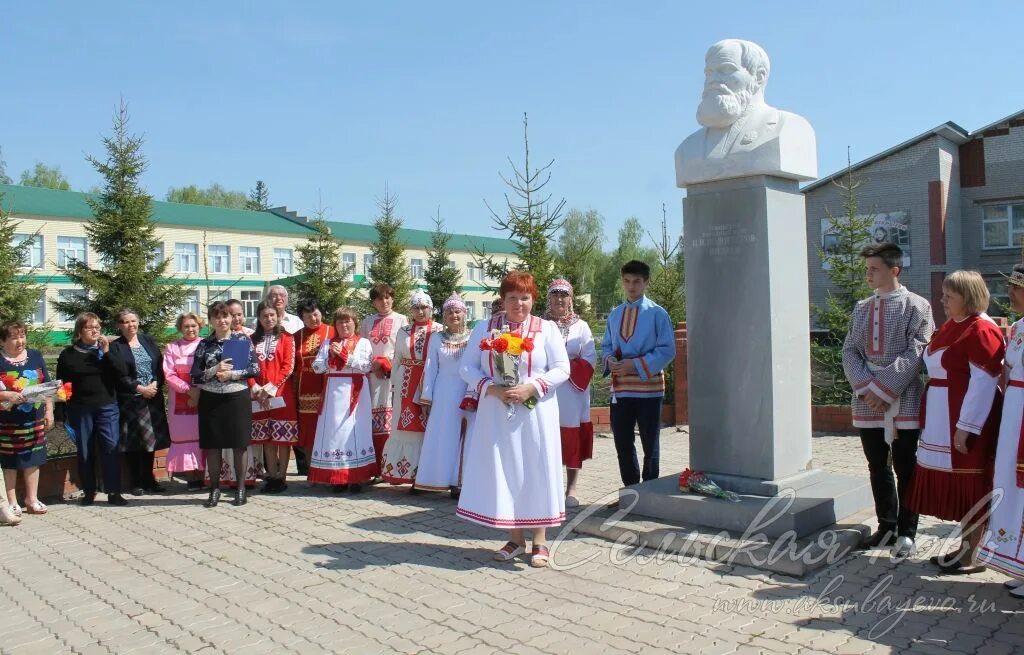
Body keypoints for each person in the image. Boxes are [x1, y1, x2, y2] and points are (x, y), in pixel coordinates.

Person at [458, 271, 570, 568]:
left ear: (533, 299)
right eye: (512, 298)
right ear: (502, 300)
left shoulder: (546, 329)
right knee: (504, 469)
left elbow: (562, 369)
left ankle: (541, 541)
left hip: (536, 412)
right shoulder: (485, 327)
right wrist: (489, 388)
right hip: (497, 411)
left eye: (525, 298)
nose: (518, 304)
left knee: (536, 468)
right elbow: (467, 368)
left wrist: (532, 386)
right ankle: (515, 538)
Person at [907, 270, 1004, 574]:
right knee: (961, 484)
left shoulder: (981, 329)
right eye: (944, 295)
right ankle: (966, 548)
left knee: (972, 483)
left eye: (950, 296)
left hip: (964, 417)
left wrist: (967, 426)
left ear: (969, 297)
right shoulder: (954, 325)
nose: (943, 300)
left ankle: (973, 554)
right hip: (942, 415)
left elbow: (984, 382)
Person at [841, 243, 934, 558]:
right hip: (866, 398)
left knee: (907, 466)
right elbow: (850, 349)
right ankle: (887, 527)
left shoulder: (917, 306)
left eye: (874, 269)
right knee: (877, 465)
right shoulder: (862, 307)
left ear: (894, 270)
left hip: (903, 396)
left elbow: (917, 350)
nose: (868, 275)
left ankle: (907, 532)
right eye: (867, 269)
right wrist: (867, 387)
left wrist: (885, 388)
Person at [601, 260, 676, 487]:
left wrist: (633, 365)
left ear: (646, 283)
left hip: (649, 389)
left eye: (636, 281)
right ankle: (631, 490)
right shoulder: (615, 315)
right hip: (621, 390)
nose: (631, 286)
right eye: (626, 281)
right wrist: (610, 360)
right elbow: (606, 346)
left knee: (650, 441)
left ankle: (650, 488)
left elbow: (667, 350)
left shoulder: (657, 314)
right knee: (622, 442)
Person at [979, 264, 1024, 596]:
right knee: (1009, 479)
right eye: (1010, 286)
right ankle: (1018, 563)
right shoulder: (1019, 327)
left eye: (1017, 287)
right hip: (1014, 411)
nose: (1010, 293)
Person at [191, 301, 261, 508]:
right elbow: (195, 375)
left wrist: (231, 374)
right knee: (212, 446)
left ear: (231, 318)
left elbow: (255, 369)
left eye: (225, 316)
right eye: (217, 317)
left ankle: (240, 488)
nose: (222, 320)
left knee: (239, 444)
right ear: (211, 321)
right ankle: (214, 489)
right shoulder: (204, 344)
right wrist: (215, 369)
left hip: (236, 398)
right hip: (211, 400)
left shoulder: (243, 340)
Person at [56, 313, 129, 506]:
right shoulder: (68, 355)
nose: (95, 330)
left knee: (110, 447)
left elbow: (122, 372)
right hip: (80, 408)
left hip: (107, 406)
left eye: (98, 327)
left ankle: (114, 491)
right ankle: (89, 491)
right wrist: (61, 412)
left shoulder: (107, 350)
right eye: (90, 328)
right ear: (80, 331)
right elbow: (61, 385)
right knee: (86, 451)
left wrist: (106, 352)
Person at [308, 307, 376, 492]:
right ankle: (338, 478)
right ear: (335, 325)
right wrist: (330, 356)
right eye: (340, 322)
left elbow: (366, 366)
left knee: (355, 432)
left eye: (348, 321)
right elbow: (316, 367)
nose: (344, 325)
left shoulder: (363, 343)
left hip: (356, 394)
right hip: (333, 393)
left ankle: (356, 478)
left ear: (355, 323)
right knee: (334, 433)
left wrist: (345, 356)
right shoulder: (328, 343)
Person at [544, 279, 597, 508]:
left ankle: (571, 487)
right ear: (548, 299)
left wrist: (565, 368)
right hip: (546, 391)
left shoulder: (581, 326)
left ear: (570, 299)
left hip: (572, 391)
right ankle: (548, 488)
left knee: (571, 436)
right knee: (546, 438)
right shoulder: (541, 325)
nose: (559, 299)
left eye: (563, 295)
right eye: (554, 295)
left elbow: (590, 357)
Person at [381, 290, 441, 489]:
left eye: (424, 307)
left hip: (430, 382)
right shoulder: (403, 331)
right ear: (411, 310)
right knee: (405, 428)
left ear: (431, 309)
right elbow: (397, 359)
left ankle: (427, 475)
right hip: (405, 384)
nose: (421, 311)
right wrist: (394, 387)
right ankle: (407, 474)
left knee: (428, 428)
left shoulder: (440, 330)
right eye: (416, 307)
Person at [110, 309, 171, 496]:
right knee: (134, 443)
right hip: (132, 400)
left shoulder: (147, 341)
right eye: (126, 322)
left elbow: (160, 366)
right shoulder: (117, 347)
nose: (131, 325)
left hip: (153, 398)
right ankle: (136, 481)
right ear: (119, 326)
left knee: (150, 442)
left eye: (133, 321)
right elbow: (119, 374)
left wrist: (155, 384)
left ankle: (149, 479)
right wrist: (140, 388)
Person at [415, 293, 471, 497]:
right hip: (443, 393)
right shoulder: (436, 338)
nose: (453, 315)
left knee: (463, 436)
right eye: (449, 312)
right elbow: (430, 368)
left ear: (464, 313)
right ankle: (437, 479)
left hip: (466, 392)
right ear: (444, 316)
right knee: (442, 436)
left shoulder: (473, 337)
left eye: (457, 311)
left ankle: (459, 482)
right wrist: (426, 397)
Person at [0, 321, 54, 521]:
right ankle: (12, 502)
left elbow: (47, 386)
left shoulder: (36, 356)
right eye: (14, 337)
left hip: (33, 417)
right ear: (3, 341)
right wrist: (7, 396)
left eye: (22, 336)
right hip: (7, 420)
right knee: (10, 460)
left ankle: (32, 499)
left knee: (34, 457)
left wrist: (49, 411)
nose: (20, 341)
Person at [360, 283, 409, 477]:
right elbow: (362, 347)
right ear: (373, 302)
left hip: (391, 377)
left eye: (388, 297)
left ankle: (390, 466)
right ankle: (374, 466)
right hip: (372, 378)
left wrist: (385, 364)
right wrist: (373, 363)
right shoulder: (367, 322)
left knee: (390, 422)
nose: (384, 302)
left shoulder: (401, 319)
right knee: (373, 421)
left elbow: (403, 348)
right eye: (379, 299)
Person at [249, 300, 298, 493]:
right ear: (259, 319)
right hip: (258, 395)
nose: (268, 319)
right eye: (264, 316)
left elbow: (288, 366)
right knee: (267, 438)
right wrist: (255, 387)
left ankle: (282, 476)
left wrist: (270, 388)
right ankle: (271, 476)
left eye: (272, 315)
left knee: (282, 437)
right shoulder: (251, 340)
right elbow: (248, 367)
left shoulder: (287, 338)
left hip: (280, 394)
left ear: (278, 316)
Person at [163, 312, 206, 490]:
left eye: (193, 325)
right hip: (180, 401)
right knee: (185, 438)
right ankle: (191, 477)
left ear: (199, 326)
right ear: (180, 328)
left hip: (204, 398)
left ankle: (205, 476)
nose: (190, 329)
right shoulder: (172, 347)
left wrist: (199, 391)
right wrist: (189, 391)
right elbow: (169, 373)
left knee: (203, 437)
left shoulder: (206, 344)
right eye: (186, 326)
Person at [294, 299, 334, 475]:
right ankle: (312, 471)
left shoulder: (332, 331)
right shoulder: (296, 336)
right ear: (302, 318)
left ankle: (329, 469)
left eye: (316, 314)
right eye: (308, 316)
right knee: (309, 433)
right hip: (304, 390)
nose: (313, 319)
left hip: (328, 389)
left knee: (328, 430)